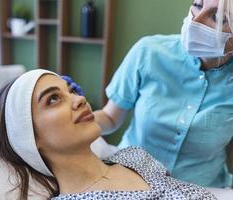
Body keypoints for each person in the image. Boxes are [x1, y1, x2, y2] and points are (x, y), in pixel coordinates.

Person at [0, 69, 216, 199]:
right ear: (29, 136)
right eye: (53, 99)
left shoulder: (134, 157)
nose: (79, 99)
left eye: (70, 91)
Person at [93, 0, 233, 188]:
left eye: (218, 18)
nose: (196, 21)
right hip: (132, 179)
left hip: (203, 188)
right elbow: (110, 118)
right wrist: (76, 121)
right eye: (197, 5)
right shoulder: (149, 52)